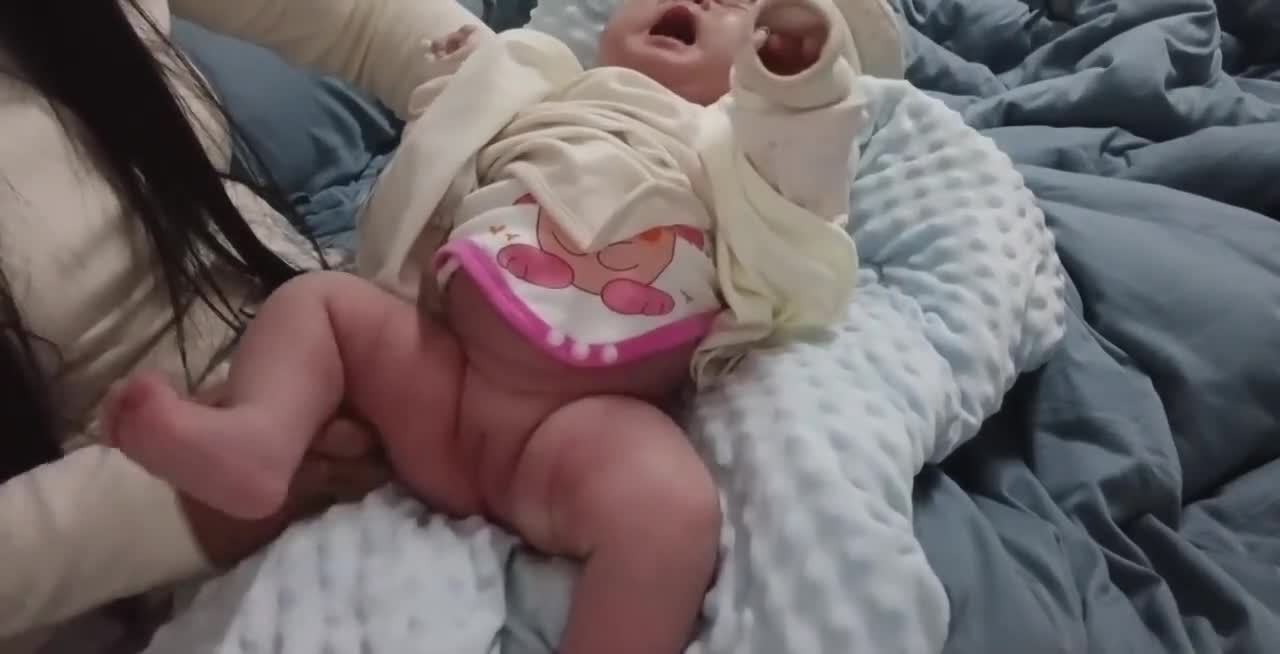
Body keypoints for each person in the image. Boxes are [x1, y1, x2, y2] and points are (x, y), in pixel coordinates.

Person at [102, 0, 872, 650]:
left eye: (735, 4)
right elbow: (445, 129)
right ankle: (259, 439)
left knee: (671, 513)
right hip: (444, 374)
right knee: (319, 304)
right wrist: (459, 75)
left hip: (575, 428)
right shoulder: (542, 89)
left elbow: (803, 183)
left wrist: (798, 75)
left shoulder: (727, 149)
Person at [0, 0, 481, 651]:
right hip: (151, 551)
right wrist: (170, 507)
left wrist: (529, 125)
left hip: (327, 346)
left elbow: (364, 21)